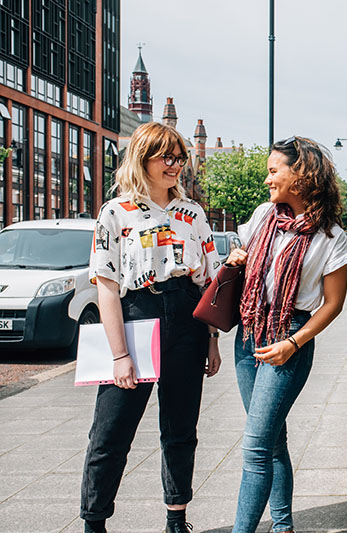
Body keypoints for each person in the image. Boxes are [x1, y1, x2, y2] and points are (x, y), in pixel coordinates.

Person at [82, 122, 222, 533]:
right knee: (110, 432)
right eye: (166, 157)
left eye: (179, 157)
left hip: (186, 317)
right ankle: (94, 522)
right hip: (137, 313)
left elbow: (208, 282)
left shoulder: (191, 213)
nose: (175, 165)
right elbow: (106, 288)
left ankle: (176, 518)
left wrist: (212, 341)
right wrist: (120, 354)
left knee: (180, 428)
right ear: (142, 159)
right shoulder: (115, 212)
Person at [226, 136, 347, 533]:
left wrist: (293, 343)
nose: (268, 180)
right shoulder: (264, 215)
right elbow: (241, 248)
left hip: (290, 337)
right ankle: (283, 526)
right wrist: (235, 258)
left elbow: (332, 304)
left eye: (273, 170)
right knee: (271, 438)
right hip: (249, 333)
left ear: (301, 175)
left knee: (256, 445)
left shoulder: (332, 237)